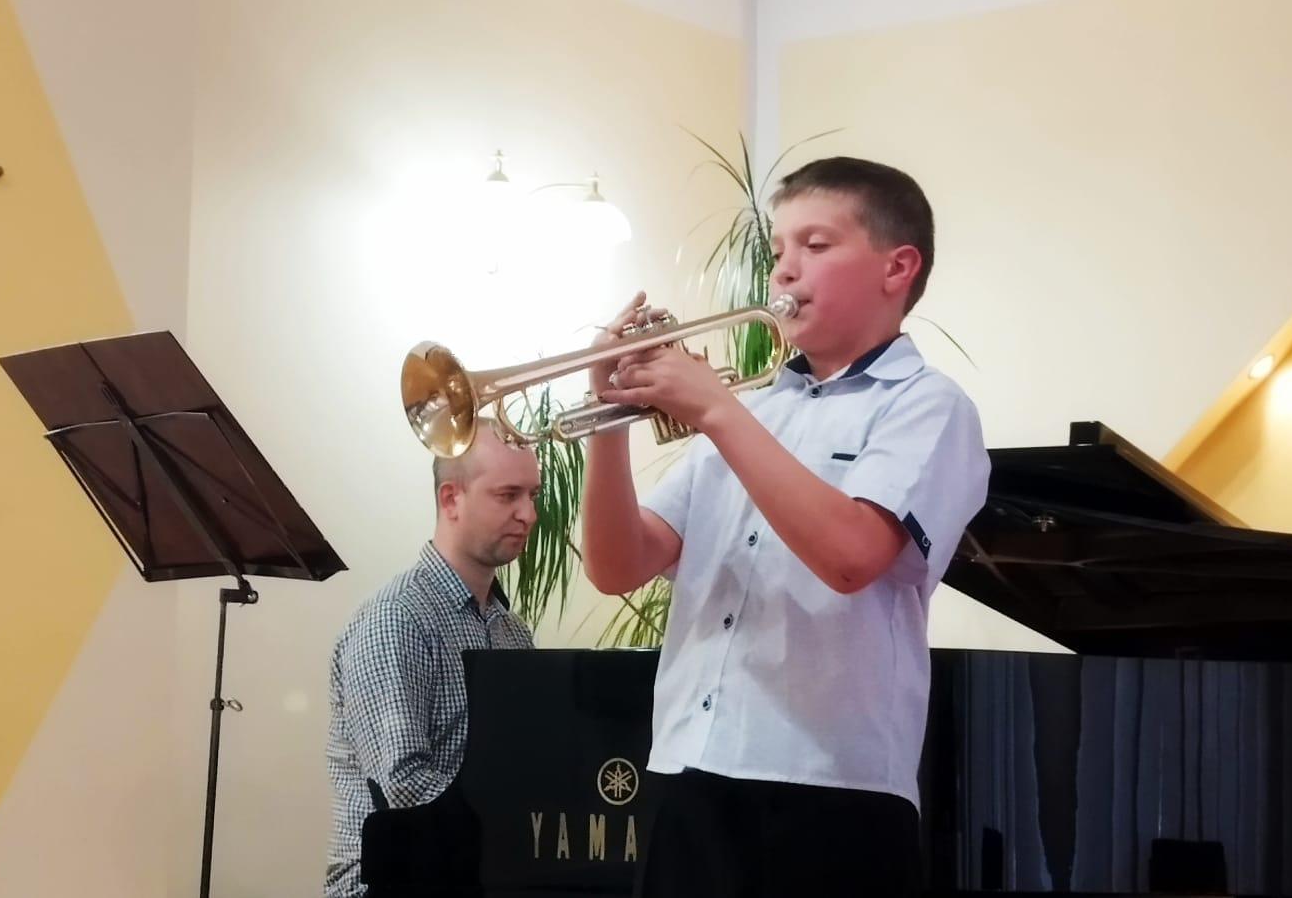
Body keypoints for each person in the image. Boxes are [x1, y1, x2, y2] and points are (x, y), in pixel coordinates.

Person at [579, 156, 991, 897]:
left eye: (816, 245)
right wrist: (608, 423)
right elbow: (617, 567)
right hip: (690, 768)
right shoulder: (754, 411)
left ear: (897, 268)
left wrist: (716, 410)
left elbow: (851, 554)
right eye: (778, 250)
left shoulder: (928, 406)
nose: (785, 270)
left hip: (831, 787)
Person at [324, 421, 541, 898]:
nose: (528, 514)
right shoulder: (395, 619)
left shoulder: (512, 632)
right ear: (451, 499)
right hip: (391, 883)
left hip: (477, 873)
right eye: (508, 495)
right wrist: (522, 826)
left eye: (533, 495)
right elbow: (403, 788)